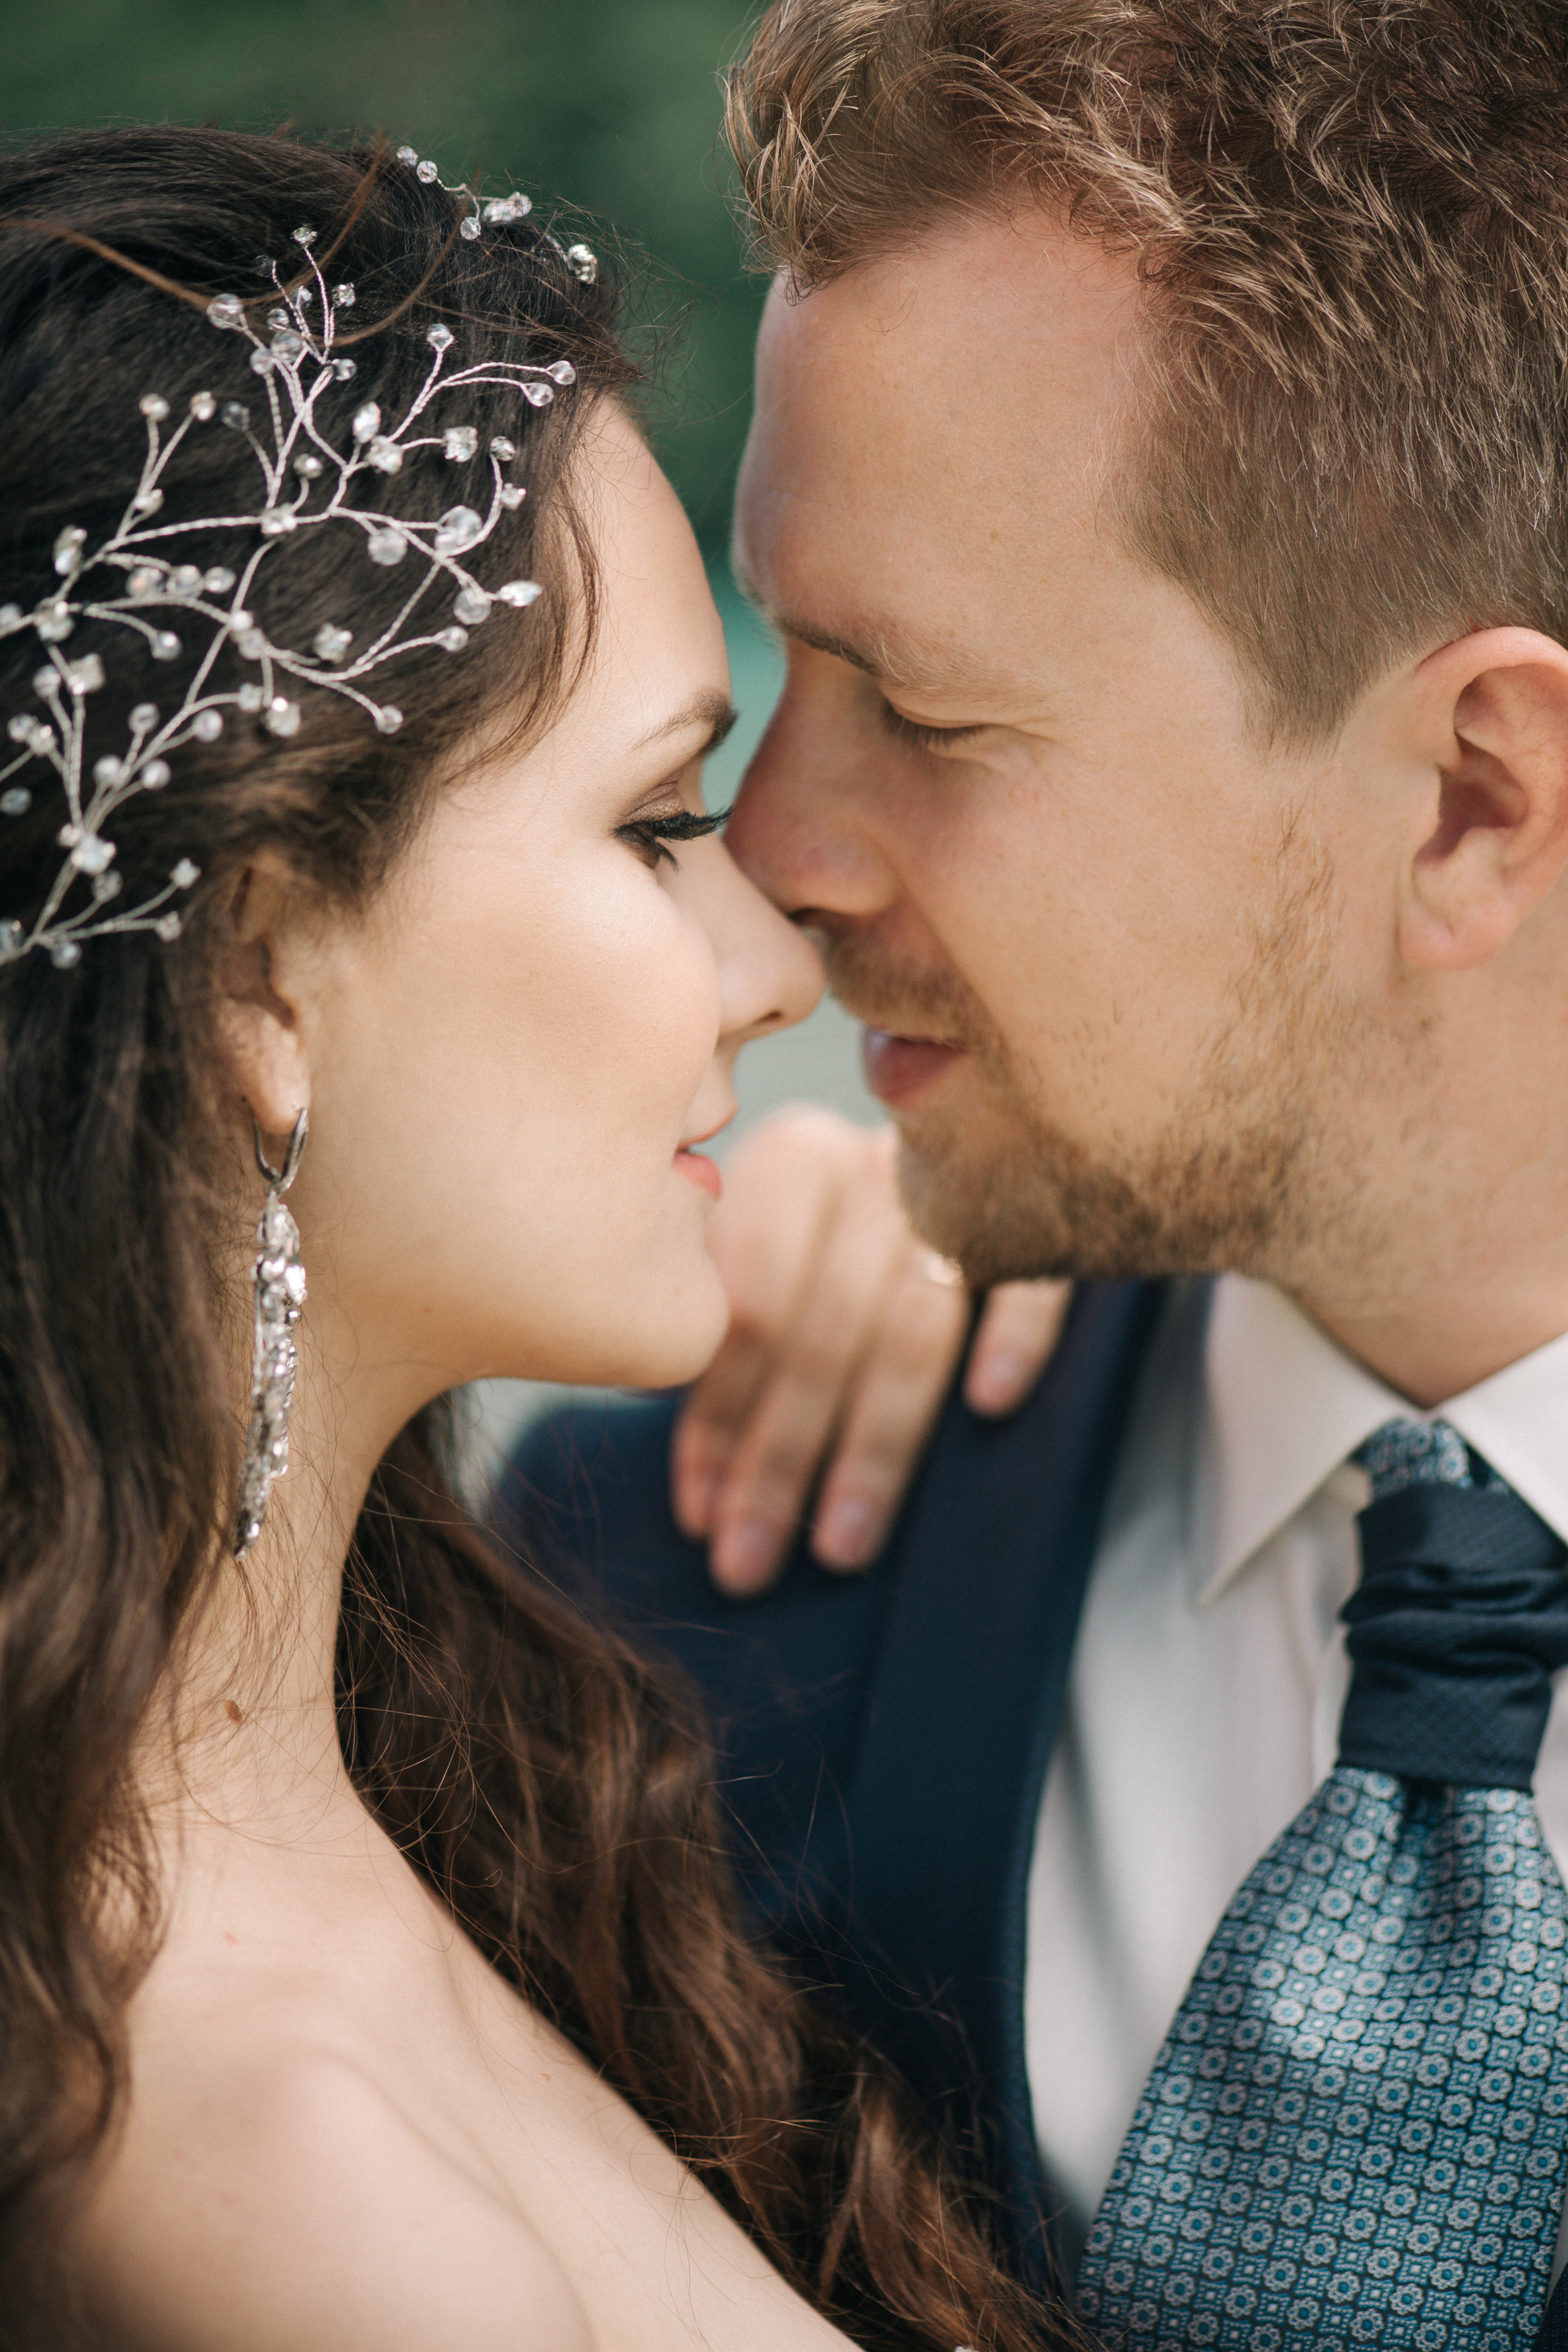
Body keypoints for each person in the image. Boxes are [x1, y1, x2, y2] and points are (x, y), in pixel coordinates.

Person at [511, 4, 1568, 2347]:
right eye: (785, 668)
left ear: (1474, 797)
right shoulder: (630, 1597)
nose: (772, 859)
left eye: (927, 710)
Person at [0, 124, 1068, 2352]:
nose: (773, 959)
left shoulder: (426, 1796)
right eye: (660, 821)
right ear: (257, 974)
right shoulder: (314, 2220)